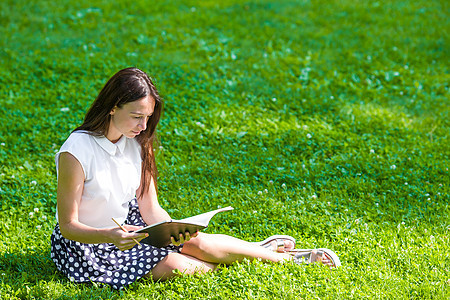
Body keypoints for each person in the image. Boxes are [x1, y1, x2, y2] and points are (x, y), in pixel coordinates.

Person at [50, 67, 340, 290]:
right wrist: (110, 236)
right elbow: (68, 226)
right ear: (113, 106)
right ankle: (259, 255)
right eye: (137, 116)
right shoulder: (76, 151)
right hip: (89, 246)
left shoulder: (138, 141)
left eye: (148, 117)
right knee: (176, 266)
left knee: (198, 243)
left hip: (132, 228)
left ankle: (289, 258)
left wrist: (170, 229)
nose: (144, 126)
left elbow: (149, 207)